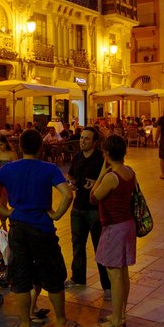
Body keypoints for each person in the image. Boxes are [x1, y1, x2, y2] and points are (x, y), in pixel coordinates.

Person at [0, 129, 82, 327]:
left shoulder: (9, 169)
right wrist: (56, 216)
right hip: (43, 228)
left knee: (21, 277)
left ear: (20, 147)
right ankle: (61, 322)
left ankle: (25, 325)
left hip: (18, 227)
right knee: (53, 275)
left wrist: (5, 211)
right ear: (41, 146)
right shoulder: (49, 169)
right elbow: (68, 194)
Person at [89, 134, 136, 327]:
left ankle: (116, 321)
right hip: (127, 224)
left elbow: (93, 197)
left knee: (114, 273)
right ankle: (121, 314)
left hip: (114, 227)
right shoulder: (130, 171)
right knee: (122, 271)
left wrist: (101, 172)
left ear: (106, 153)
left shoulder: (111, 176)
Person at [65, 126, 111, 298]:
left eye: (86, 138)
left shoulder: (101, 158)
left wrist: (95, 184)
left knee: (100, 246)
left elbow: (107, 178)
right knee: (77, 245)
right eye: (81, 138)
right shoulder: (77, 157)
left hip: (95, 210)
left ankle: (107, 285)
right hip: (78, 208)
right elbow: (71, 177)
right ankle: (78, 278)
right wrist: (71, 184)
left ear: (95, 142)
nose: (82, 141)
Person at [0, 135, 17, 229]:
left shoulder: (12, 154)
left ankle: (11, 221)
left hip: (8, 181)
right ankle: (4, 226)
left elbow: (16, 168)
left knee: (3, 204)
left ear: (5, 143)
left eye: (1, 145)